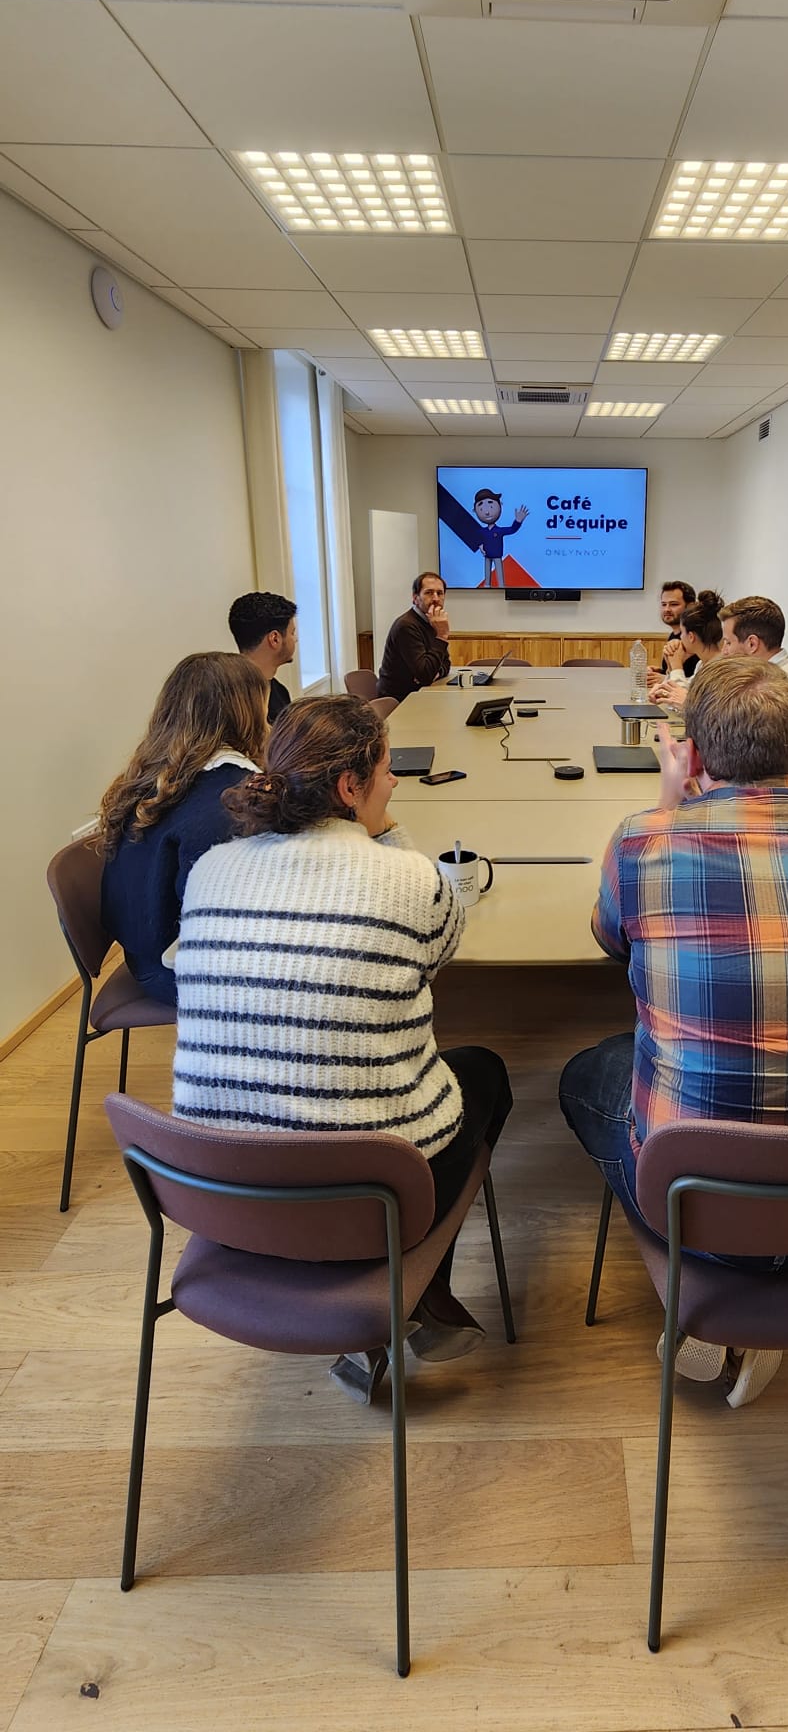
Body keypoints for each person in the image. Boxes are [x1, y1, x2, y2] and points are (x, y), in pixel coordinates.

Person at [559, 659, 788, 1408]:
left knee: (588, 1073)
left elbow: (610, 939)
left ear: (694, 755)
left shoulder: (642, 843)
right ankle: (740, 1306)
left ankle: (700, 1299)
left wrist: (666, 802)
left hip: (706, 1208)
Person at [172, 694, 513, 1401]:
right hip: (370, 1198)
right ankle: (414, 1296)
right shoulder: (413, 878)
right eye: (386, 772)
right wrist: (387, 837)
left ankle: (406, 1305)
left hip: (221, 1190)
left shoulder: (210, 870)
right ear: (350, 786)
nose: (395, 784)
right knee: (484, 1073)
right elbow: (441, 947)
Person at [99, 653, 268, 1007]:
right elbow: (224, 925)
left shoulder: (155, 776)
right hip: (178, 972)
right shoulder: (231, 801)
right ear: (245, 715)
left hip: (142, 952)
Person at [719, 594, 788, 732]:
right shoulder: (779, 674)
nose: (724, 651)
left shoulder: (782, 683)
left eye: (728, 643)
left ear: (752, 644)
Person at [376, 570, 452, 700]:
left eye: (440, 593)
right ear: (415, 598)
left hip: (420, 693)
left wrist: (436, 672)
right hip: (398, 700)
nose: (435, 598)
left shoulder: (433, 621)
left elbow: (445, 663)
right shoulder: (406, 626)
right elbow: (425, 675)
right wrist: (441, 636)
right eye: (429, 593)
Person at [228, 591, 297, 725]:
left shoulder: (278, 691)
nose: (296, 639)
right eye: (292, 633)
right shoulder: (239, 703)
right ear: (275, 639)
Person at [648, 590, 723, 704]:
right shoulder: (702, 664)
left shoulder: (719, 668)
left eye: (682, 633)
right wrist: (669, 669)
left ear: (691, 637)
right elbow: (687, 691)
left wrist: (677, 665)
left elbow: (684, 704)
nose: (680, 637)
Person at [650, 579, 697, 679]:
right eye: (664, 604)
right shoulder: (673, 635)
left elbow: (698, 679)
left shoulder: (697, 638)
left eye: (673, 604)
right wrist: (660, 672)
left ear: (690, 606)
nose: (667, 609)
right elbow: (679, 670)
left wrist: (664, 679)